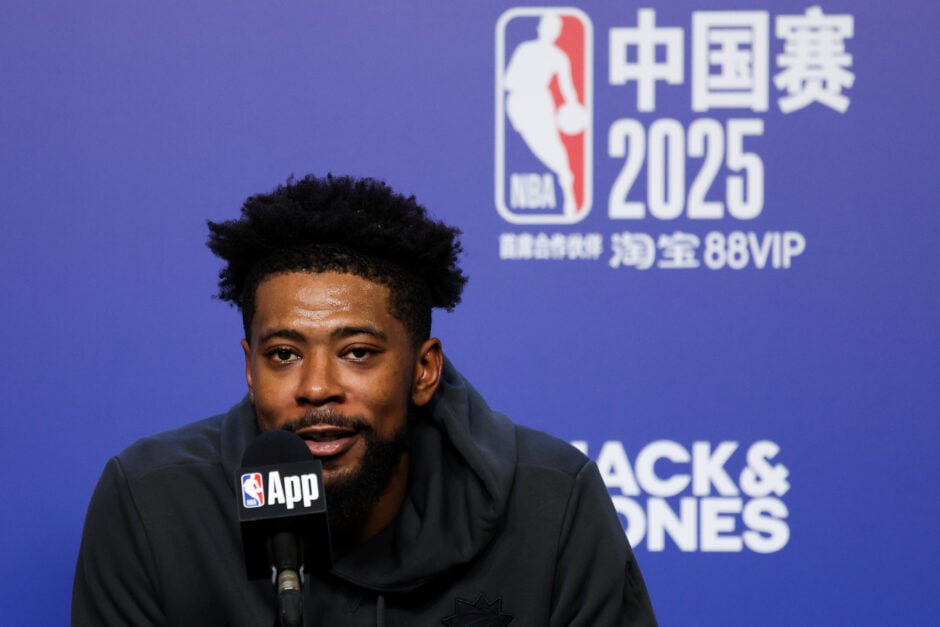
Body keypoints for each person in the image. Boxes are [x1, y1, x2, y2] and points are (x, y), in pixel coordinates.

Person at [72, 175, 657, 626]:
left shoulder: (551, 503)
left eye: (356, 352)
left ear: (424, 370)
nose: (316, 386)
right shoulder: (153, 503)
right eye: (283, 354)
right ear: (249, 369)